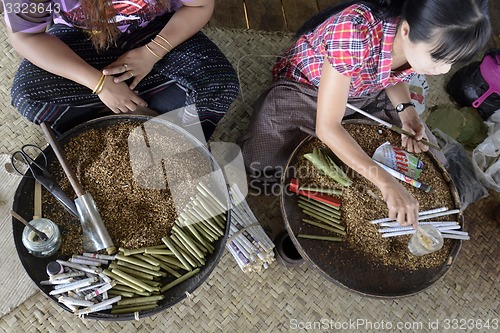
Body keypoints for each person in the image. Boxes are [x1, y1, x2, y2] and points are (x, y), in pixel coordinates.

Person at [239, 0, 491, 227]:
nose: (443, 70)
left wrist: (407, 112)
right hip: (307, 90)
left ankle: (357, 159)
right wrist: (384, 182)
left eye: (452, 62)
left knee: (431, 160)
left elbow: (392, 75)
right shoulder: (354, 32)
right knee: (262, 163)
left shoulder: (413, 40)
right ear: (406, 31)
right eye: (438, 58)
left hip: (366, 92)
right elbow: (327, 126)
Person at [3, 0, 239, 139]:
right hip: (79, 38)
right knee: (29, 97)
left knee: (218, 83)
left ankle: (143, 122)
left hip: (155, 33)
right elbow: (25, 36)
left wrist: (152, 53)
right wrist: (99, 84)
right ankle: (127, 117)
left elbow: (199, 6)